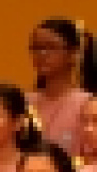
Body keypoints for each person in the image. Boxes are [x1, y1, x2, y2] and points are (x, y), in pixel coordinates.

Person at [27, 17, 95, 153]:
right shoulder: (24, 102)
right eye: (37, 48)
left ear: (73, 54)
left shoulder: (87, 104)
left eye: (51, 47)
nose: (42, 54)